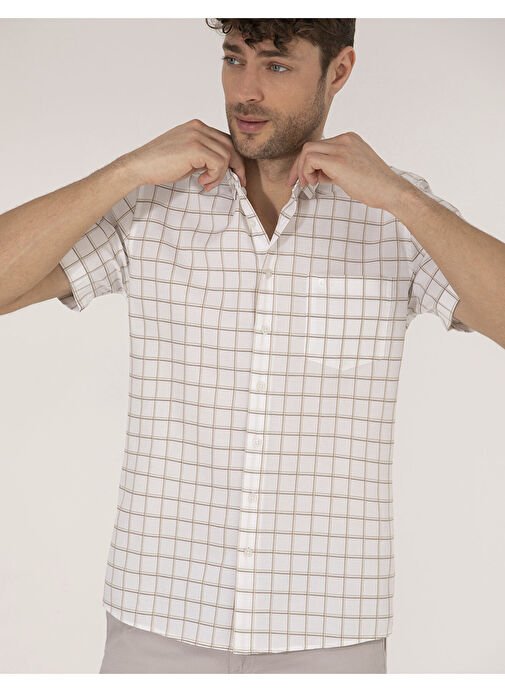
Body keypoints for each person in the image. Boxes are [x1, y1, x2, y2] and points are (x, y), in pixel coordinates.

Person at [2, 17, 499, 674]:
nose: (246, 91)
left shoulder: (390, 217)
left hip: (328, 633)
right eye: (234, 59)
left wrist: (402, 198)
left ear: (339, 71)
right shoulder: (155, 206)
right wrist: (124, 172)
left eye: (276, 65)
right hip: (157, 621)